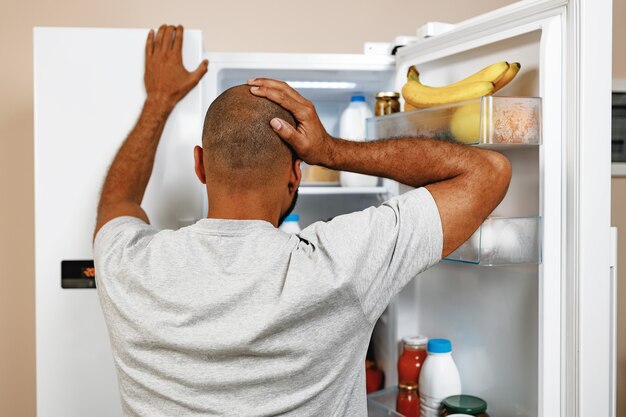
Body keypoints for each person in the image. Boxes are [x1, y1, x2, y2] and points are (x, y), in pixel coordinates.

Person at [93, 25, 511, 417]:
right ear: (297, 172)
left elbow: (118, 198)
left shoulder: (129, 265)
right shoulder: (340, 264)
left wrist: (158, 101)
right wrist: (331, 150)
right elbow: (488, 172)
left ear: (200, 165)